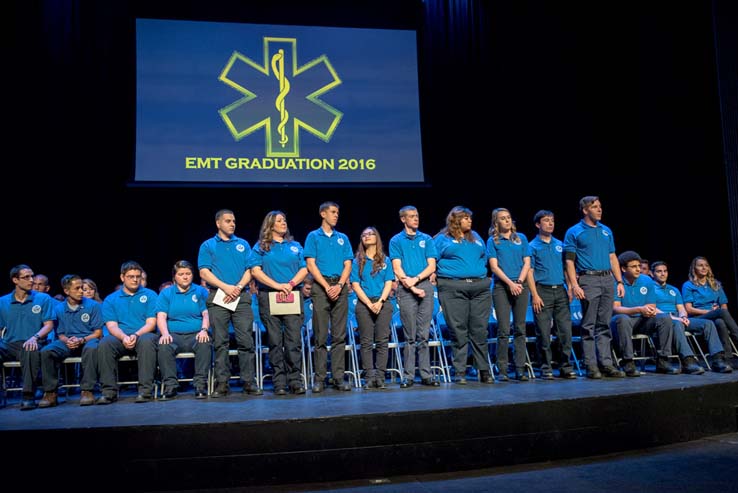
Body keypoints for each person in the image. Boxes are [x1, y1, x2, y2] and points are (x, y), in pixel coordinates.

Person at [198, 209, 261, 397]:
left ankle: (248, 381)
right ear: (218, 223)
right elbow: (204, 272)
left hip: (240, 296)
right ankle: (222, 383)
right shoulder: (208, 245)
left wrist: (238, 287)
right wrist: (226, 287)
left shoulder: (242, 244)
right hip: (219, 296)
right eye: (228, 221)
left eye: (233, 221)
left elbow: (251, 269)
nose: (232, 224)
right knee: (220, 342)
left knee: (245, 341)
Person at [563, 196, 625, 379]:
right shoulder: (574, 232)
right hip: (588, 280)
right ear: (585, 210)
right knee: (589, 325)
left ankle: (606, 363)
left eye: (600, 207)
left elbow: (613, 256)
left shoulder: (606, 231)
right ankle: (591, 365)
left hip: (607, 279)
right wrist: (574, 285)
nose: (599, 210)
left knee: (604, 324)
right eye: (595, 207)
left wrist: (619, 281)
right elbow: (569, 261)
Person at [250, 210, 309, 395]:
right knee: (275, 341)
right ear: (270, 225)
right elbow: (255, 271)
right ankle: (279, 382)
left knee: (293, 340)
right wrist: (277, 285)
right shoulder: (261, 246)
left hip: (292, 294)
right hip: (269, 296)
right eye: (279, 221)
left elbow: (304, 268)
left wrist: (290, 284)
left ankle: (295, 380)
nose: (284, 223)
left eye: (284, 220)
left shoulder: (295, 245)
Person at [433, 206, 494, 384]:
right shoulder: (442, 239)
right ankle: (459, 371)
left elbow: (484, 258)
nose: (470, 221)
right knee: (458, 330)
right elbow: (432, 260)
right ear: (455, 220)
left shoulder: (476, 238)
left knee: (480, 330)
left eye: (470, 218)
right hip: (453, 287)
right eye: (465, 218)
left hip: (479, 287)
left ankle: (483, 369)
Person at [304, 201, 354, 392]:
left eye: (337, 212)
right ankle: (320, 378)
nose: (336, 215)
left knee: (339, 336)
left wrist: (340, 285)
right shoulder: (313, 236)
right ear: (323, 214)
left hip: (339, 286)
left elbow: (348, 264)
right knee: (321, 335)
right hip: (321, 286)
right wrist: (327, 286)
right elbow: (311, 264)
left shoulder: (342, 238)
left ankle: (338, 377)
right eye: (333, 212)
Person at [389, 205, 440, 388]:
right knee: (410, 336)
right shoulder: (396, 240)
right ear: (403, 219)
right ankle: (408, 376)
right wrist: (409, 284)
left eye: (417, 215)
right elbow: (396, 267)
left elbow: (432, 266)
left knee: (424, 334)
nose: (416, 219)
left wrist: (416, 280)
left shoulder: (426, 239)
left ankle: (426, 375)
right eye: (411, 216)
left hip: (424, 285)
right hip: (405, 289)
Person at [651, 261, 732, 373]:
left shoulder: (673, 289)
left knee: (708, 323)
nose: (663, 274)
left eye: (665, 271)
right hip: (663, 319)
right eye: (659, 271)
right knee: (677, 323)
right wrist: (676, 319)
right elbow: (652, 308)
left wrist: (683, 316)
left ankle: (717, 359)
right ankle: (687, 360)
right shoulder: (650, 288)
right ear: (652, 273)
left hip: (678, 318)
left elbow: (681, 308)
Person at [96, 261, 159, 404]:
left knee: (147, 341)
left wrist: (135, 335)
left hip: (143, 335)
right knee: (105, 343)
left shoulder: (150, 295)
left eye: (137, 276)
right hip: (120, 337)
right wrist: (124, 337)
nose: (135, 279)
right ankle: (109, 392)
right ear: (122, 277)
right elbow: (112, 326)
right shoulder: (111, 299)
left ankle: (145, 391)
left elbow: (151, 323)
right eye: (131, 276)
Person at [526, 210, 578, 380]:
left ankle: (565, 366)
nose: (550, 223)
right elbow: (530, 272)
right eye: (546, 221)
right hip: (542, 291)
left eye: (552, 221)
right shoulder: (532, 246)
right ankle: (546, 367)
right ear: (537, 224)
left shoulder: (560, 245)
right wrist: (534, 295)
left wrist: (570, 286)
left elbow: (567, 268)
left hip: (560, 291)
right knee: (543, 332)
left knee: (565, 331)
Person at [610, 251, 680, 376]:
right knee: (622, 319)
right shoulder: (616, 282)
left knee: (664, 318)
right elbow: (616, 309)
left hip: (642, 320)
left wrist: (649, 310)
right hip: (623, 322)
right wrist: (638, 309)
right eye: (634, 267)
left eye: (639, 266)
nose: (638, 269)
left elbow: (651, 305)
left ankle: (663, 361)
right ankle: (628, 363)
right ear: (623, 269)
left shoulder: (646, 280)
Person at [38, 274, 103, 407]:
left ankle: (87, 390)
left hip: (88, 339)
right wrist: (68, 340)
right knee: (46, 351)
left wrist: (81, 339)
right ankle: (50, 392)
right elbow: (60, 333)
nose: (81, 291)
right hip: (67, 341)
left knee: (92, 348)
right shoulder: (59, 309)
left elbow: (98, 333)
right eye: (77, 288)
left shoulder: (93, 306)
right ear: (66, 291)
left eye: (82, 288)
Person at [0, 265, 56, 410]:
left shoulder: (42, 298)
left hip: (33, 341)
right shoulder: (3, 301)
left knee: (30, 349)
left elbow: (49, 325)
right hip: (10, 344)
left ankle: (28, 395)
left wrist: (35, 337)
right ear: (15, 280)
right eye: (26, 277)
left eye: (32, 276)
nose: (31, 280)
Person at [156, 260, 213, 400]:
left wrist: (204, 330)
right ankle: (170, 386)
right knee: (164, 345)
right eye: (181, 274)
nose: (185, 277)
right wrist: (165, 334)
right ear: (174, 276)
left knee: (205, 343)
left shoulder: (200, 291)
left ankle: (200, 385)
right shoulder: (166, 293)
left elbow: (206, 314)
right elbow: (161, 316)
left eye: (188, 273)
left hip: (196, 334)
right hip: (174, 335)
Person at [487, 207, 532, 381]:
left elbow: (527, 262)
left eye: (509, 217)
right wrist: (510, 283)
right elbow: (494, 267)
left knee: (520, 328)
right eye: (503, 218)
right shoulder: (493, 241)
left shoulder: (521, 239)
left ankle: (520, 368)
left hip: (520, 286)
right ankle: (503, 368)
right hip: (501, 287)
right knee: (504, 329)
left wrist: (519, 282)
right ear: (496, 222)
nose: (507, 221)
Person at [351, 226, 395, 390]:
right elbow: (355, 285)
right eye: (364, 235)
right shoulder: (357, 261)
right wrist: (369, 304)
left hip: (382, 303)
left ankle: (380, 377)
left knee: (383, 341)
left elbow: (388, 282)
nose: (367, 236)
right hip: (364, 304)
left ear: (377, 237)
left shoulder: (385, 260)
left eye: (370, 234)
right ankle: (369, 377)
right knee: (366, 342)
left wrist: (381, 301)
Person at [682, 256, 738, 360]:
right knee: (721, 313)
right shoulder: (688, 285)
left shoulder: (715, 284)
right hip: (698, 318)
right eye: (700, 265)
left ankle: (727, 357)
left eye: (706, 265)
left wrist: (715, 312)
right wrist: (708, 311)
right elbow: (689, 309)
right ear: (694, 268)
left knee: (720, 322)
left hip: (716, 315)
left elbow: (724, 305)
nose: (704, 268)